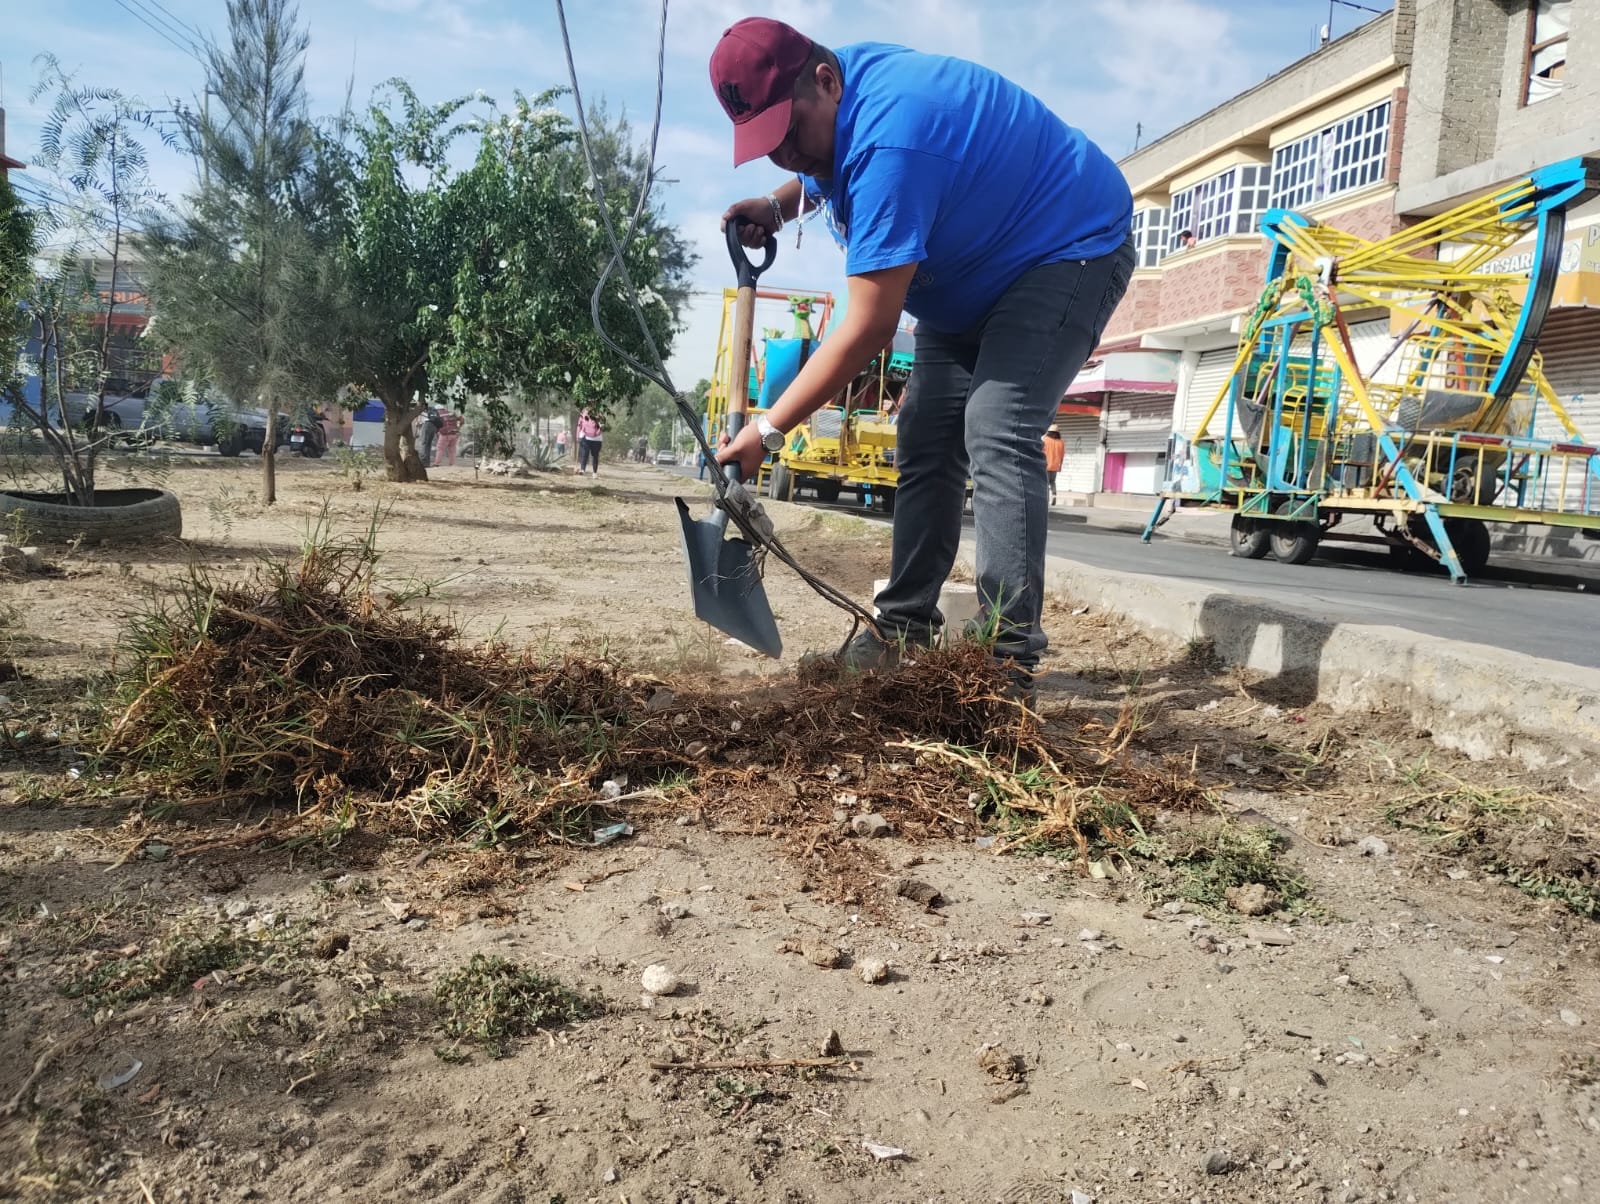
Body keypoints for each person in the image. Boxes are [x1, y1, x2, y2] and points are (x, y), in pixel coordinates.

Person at [709, 18, 1133, 703]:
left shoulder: (894, 135)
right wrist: (782, 205)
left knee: (997, 427)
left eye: (791, 136)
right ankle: (902, 630)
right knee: (927, 434)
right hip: (967, 279)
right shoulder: (843, 87)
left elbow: (870, 326)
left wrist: (769, 430)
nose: (787, 156)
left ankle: (1006, 663)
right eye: (770, 148)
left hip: (1065, 249)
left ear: (825, 80)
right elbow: (832, 160)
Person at [576, 408, 603, 475]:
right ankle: (582, 470)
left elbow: (602, 425)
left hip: (597, 439)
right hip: (586, 437)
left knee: (595, 456)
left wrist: (601, 427)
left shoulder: (599, 414)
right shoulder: (583, 414)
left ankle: (594, 472)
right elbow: (579, 426)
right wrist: (578, 435)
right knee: (584, 454)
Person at [1043, 425, 1065, 505]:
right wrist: (1060, 466)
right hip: (1055, 466)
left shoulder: (1045, 440)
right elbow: (1062, 455)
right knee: (1053, 482)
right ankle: (1054, 496)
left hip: (1046, 465)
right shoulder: (1061, 442)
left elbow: (1041, 452)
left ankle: (1047, 499)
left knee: (1046, 483)